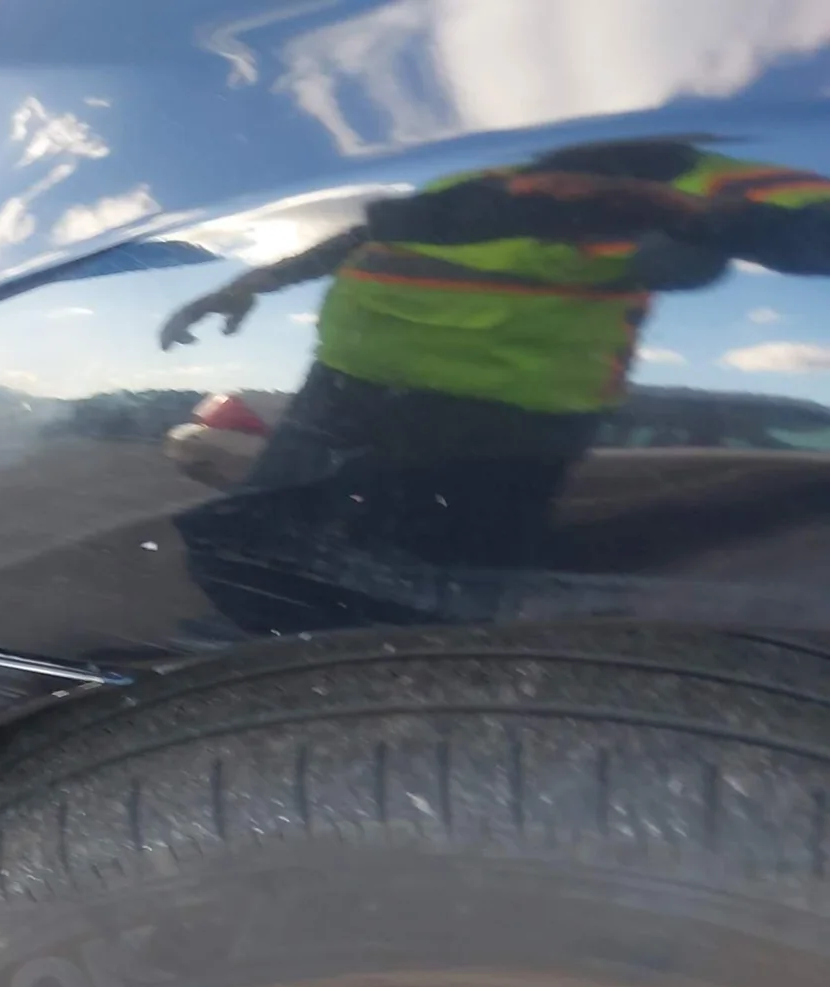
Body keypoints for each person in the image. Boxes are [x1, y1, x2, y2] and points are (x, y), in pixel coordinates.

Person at [160, 140, 830, 631]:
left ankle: (407, 719)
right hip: (341, 388)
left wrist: (696, 221)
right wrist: (253, 282)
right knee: (265, 549)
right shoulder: (490, 170)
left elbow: (813, 229)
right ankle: (237, 669)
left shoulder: (717, 176)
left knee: (431, 596)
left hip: (499, 421)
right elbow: (370, 236)